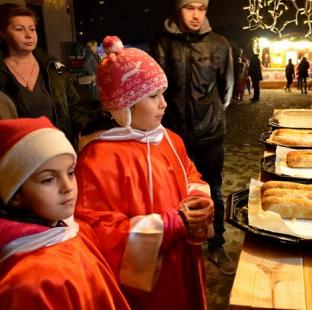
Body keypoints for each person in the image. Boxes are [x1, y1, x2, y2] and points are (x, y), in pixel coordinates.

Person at [75, 36, 214, 310]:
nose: (164, 103)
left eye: (162, 93)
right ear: (123, 108)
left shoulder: (170, 140)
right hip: (144, 283)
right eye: (153, 96)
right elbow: (96, 231)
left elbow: (191, 176)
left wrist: (198, 201)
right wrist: (169, 225)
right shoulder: (98, 159)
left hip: (182, 258)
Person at [0, 116, 130, 309]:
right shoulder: (28, 281)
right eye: (48, 180)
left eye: (70, 173)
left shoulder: (69, 231)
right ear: (16, 194)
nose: (67, 187)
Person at [150, 0, 236, 276]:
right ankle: (180, 243)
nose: (197, 14)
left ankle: (216, 243)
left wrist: (209, 117)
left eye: (202, 8)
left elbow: (226, 92)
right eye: (190, 7)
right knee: (172, 190)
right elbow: (156, 89)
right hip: (172, 136)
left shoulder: (220, 44)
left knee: (213, 189)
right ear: (178, 9)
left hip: (210, 134)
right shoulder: (162, 43)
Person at [0, 3, 96, 149]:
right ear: (3, 33)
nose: (29, 35)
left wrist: (100, 125)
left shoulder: (55, 69)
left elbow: (76, 109)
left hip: (61, 150)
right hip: (21, 157)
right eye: (19, 29)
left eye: (32, 29)